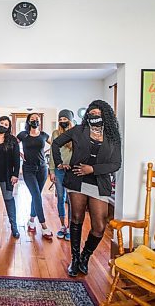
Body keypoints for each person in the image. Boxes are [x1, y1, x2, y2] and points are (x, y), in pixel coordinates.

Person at [51, 100, 121, 277]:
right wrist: (59, 163)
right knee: (76, 218)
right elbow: (56, 143)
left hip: (99, 181)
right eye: (91, 114)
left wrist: (93, 169)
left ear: (105, 116)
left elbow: (116, 164)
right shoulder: (79, 130)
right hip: (77, 179)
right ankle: (75, 259)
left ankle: (85, 256)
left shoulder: (112, 136)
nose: (94, 116)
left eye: (98, 114)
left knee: (99, 225)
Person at [17, 113, 53, 239]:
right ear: (28, 121)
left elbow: (55, 145)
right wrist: (20, 154)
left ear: (39, 121)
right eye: (32, 119)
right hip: (28, 169)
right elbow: (13, 145)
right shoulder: (23, 134)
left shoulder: (44, 135)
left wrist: (47, 152)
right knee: (37, 195)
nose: (35, 121)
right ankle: (43, 226)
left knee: (35, 195)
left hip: (42, 169)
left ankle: (31, 220)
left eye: (37, 119)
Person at [49, 109, 75, 241]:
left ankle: (71, 227)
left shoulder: (76, 133)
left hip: (72, 171)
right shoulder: (55, 133)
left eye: (65, 119)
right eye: (61, 120)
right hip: (59, 170)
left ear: (70, 120)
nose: (63, 122)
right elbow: (53, 153)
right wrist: (52, 170)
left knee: (71, 200)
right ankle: (63, 226)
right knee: (60, 197)